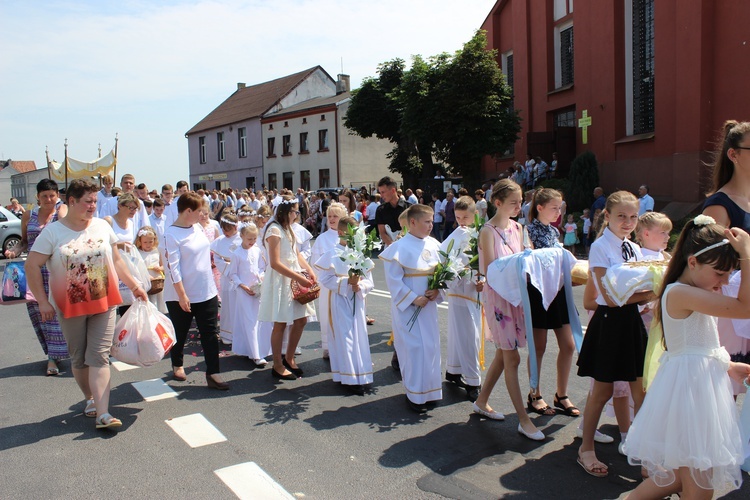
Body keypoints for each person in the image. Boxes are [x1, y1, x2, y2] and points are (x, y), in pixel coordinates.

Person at [624, 217, 750, 498]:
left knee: (676, 478)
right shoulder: (681, 293)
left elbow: (695, 345)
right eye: (720, 273)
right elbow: (746, 307)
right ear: (693, 262)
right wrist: (747, 254)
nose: (726, 281)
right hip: (693, 396)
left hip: (695, 390)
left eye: (730, 273)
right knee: (698, 484)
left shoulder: (694, 291)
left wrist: (728, 366)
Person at [25, 179, 148, 429]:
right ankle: (89, 398)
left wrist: (135, 286)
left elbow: (117, 261)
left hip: (105, 302)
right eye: (88, 201)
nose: (93, 206)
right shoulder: (53, 232)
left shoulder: (102, 226)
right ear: (71, 201)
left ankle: (104, 414)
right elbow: (31, 265)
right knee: (79, 359)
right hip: (71, 307)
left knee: (100, 357)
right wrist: (42, 301)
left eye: (95, 201)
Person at [576, 191, 653, 477]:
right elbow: (608, 297)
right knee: (603, 390)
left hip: (631, 322)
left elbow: (636, 289)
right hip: (609, 323)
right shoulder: (599, 247)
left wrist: (646, 292)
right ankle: (586, 449)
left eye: (633, 216)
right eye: (621, 216)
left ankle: (643, 453)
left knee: (640, 390)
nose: (628, 222)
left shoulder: (633, 248)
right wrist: (652, 292)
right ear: (607, 216)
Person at [472, 179, 544, 440]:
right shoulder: (488, 231)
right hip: (499, 300)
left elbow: (529, 257)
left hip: (517, 298)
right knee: (511, 357)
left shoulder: (518, 227)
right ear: (498, 202)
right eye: (514, 202)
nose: (519, 205)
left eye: (520, 200)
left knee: (504, 355)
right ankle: (523, 421)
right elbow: (492, 270)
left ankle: (481, 401)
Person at [702, 120, 750, 395]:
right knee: (726, 394)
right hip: (732, 310)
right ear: (734, 154)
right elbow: (708, 268)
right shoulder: (720, 205)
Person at [379, 204, 443, 412]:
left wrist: (437, 290)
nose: (430, 225)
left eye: (432, 221)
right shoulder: (398, 248)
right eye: (427, 221)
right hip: (408, 308)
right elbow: (393, 281)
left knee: (431, 347)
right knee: (414, 348)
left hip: (429, 307)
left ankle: (431, 391)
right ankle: (415, 395)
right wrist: (413, 298)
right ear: (413, 222)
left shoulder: (434, 244)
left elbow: (442, 274)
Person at [164, 192, 228, 390]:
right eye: (199, 211)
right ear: (188, 211)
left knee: (210, 333)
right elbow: (172, 268)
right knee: (180, 332)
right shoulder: (171, 234)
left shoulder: (197, 227)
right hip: (182, 294)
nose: (202, 214)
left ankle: (213, 373)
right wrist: (182, 295)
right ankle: (178, 364)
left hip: (206, 289)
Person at [5, 179, 69, 376]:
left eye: (52, 195)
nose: (49, 199)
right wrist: (13, 251)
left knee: (55, 314)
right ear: (38, 197)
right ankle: (52, 354)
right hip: (32, 272)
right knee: (38, 314)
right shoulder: (28, 215)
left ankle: (53, 358)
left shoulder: (61, 212)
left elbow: (67, 227)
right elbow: (24, 242)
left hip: (55, 270)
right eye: (44, 196)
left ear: (57, 195)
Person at [524, 189, 579, 417]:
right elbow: (528, 260)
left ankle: (561, 394)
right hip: (538, 291)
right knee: (539, 347)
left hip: (558, 290)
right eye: (555, 207)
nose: (559, 212)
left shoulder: (553, 231)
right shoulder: (526, 230)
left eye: (560, 208)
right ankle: (534, 394)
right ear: (540, 207)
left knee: (568, 344)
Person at [258, 196, 316, 381]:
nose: (297, 215)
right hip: (281, 280)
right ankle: (277, 364)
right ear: (285, 211)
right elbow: (275, 263)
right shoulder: (274, 230)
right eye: (295, 211)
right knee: (281, 323)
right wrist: (300, 277)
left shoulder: (287, 228)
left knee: (301, 320)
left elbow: (295, 252)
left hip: (293, 277)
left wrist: (309, 270)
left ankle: (289, 358)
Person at [315, 216, 375, 395]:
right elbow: (325, 278)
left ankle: (361, 374)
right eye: (351, 234)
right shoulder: (332, 253)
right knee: (345, 337)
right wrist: (346, 283)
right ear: (341, 233)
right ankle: (348, 376)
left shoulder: (359, 253)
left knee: (359, 336)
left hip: (356, 299)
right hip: (340, 300)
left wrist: (359, 285)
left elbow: (369, 281)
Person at [441, 196, 484, 402]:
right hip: (459, 290)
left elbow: (486, 260)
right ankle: (473, 381)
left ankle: (454, 370)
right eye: (458, 217)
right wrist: (461, 272)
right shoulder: (456, 234)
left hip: (475, 291)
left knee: (468, 333)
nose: (462, 222)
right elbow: (443, 258)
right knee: (468, 335)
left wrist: (482, 277)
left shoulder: (481, 233)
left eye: (466, 217)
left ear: (475, 214)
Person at [228, 222, 270, 366]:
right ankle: (255, 354)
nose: (252, 242)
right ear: (241, 236)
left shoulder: (257, 251)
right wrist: (243, 286)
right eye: (249, 239)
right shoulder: (237, 254)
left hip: (257, 289)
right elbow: (232, 274)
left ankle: (261, 349)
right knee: (250, 321)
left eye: (254, 239)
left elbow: (260, 268)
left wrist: (261, 279)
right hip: (244, 291)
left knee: (260, 319)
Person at [311, 202, 345, 360]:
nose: (331, 219)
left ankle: (345, 345)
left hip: (346, 284)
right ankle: (328, 346)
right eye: (329, 216)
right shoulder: (322, 239)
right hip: (328, 285)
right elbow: (315, 262)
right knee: (327, 314)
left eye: (335, 216)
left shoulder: (349, 236)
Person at [211, 213, 241, 344]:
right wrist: (229, 270)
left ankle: (240, 333)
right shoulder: (219, 242)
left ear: (235, 227)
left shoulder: (242, 238)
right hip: (227, 277)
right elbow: (217, 259)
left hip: (241, 276)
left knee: (239, 305)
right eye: (223, 229)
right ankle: (228, 334)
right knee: (227, 305)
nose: (225, 232)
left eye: (228, 229)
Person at [134, 226, 166, 314]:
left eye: (150, 242)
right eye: (145, 242)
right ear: (139, 241)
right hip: (145, 283)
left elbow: (164, 266)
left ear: (154, 240)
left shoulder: (157, 251)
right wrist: (146, 276)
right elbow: (136, 268)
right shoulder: (138, 253)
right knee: (148, 305)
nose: (148, 244)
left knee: (158, 305)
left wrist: (160, 268)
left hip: (157, 282)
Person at [376, 177, 409, 248]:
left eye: (383, 192)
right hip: (390, 248)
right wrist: (393, 247)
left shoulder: (409, 208)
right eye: (380, 192)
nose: (381, 196)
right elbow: (382, 232)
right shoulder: (380, 210)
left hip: (408, 246)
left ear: (393, 190)